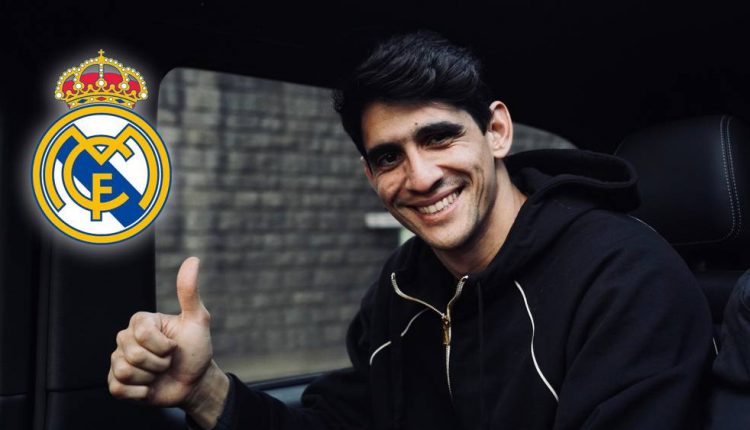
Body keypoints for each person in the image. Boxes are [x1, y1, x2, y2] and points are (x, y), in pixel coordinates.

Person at [108, 31, 714, 429]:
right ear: (370, 175)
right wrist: (205, 390)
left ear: (496, 132)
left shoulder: (625, 278)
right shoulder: (404, 286)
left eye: (439, 137)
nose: (420, 177)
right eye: (389, 157)